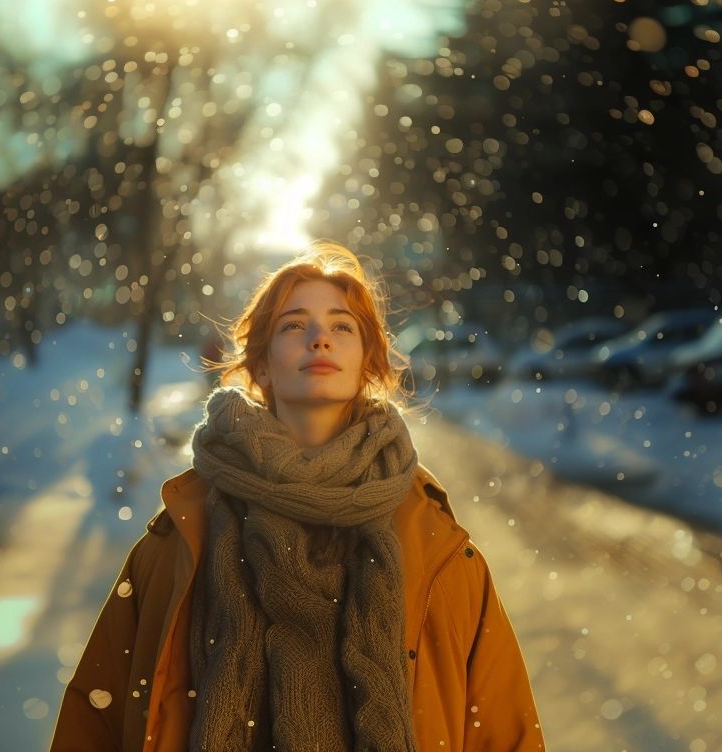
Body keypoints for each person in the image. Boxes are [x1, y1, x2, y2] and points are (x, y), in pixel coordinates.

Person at [48, 241, 544, 751]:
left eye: (341, 326)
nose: (319, 339)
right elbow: (95, 720)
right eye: (293, 324)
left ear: (367, 364)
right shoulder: (178, 541)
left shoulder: (439, 549)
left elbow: (504, 733)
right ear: (261, 367)